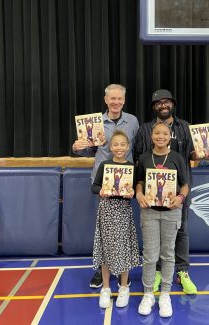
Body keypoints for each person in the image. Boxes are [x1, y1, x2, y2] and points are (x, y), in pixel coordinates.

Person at [72, 84, 139, 288]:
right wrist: (78, 148)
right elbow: (89, 151)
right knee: (103, 231)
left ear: (124, 100)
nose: (116, 102)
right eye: (112, 99)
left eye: (119, 99)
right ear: (106, 100)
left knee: (123, 231)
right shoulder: (96, 122)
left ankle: (121, 270)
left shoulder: (133, 121)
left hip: (125, 183)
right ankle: (102, 272)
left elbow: (137, 148)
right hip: (103, 183)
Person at [133, 89, 199, 295]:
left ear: (172, 104)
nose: (163, 105)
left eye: (167, 102)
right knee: (155, 237)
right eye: (159, 103)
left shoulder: (185, 127)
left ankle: (182, 272)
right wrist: (141, 191)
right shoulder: (144, 130)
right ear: (154, 107)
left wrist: (205, 151)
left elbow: (194, 156)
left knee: (182, 231)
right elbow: (138, 162)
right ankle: (158, 272)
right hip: (153, 197)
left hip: (179, 192)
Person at [136, 121, 189, 317]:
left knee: (168, 253)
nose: (160, 136)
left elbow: (184, 185)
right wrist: (139, 194)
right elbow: (139, 182)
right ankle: (148, 293)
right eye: (157, 133)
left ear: (170, 137)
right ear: (151, 136)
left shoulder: (176, 158)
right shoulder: (143, 158)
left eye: (164, 134)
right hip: (149, 211)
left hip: (171, 212)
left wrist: (180, 197)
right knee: (150, 255)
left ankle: (165, 293)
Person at [92, 130, 140, 308]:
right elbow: (94, 187)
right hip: (106, 210)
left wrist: (133, 193)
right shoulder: (105, 165)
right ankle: (105, 288)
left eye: (122, 144)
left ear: (127, 147)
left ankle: (124, 287)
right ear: (111, 147)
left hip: (123, 211)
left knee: (123, 248)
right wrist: (101, 191)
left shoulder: (132, 168)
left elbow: (135, 190)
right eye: (115, 145)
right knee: (106, 249)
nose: (119, 148)